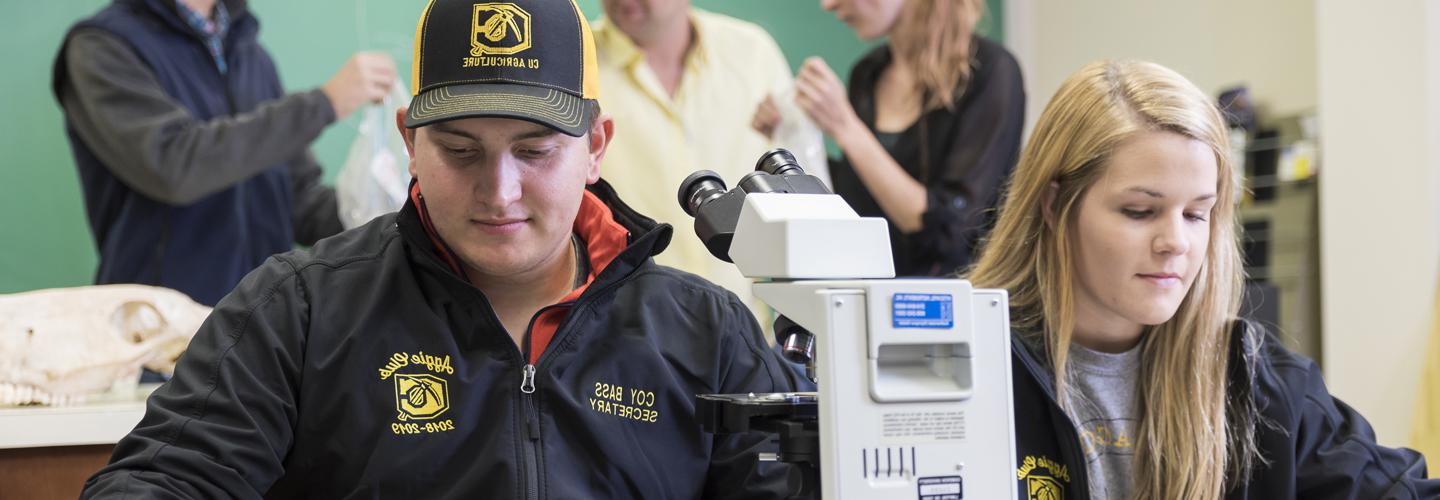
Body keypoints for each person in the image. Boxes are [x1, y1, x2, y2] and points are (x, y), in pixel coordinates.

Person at [79, 0, 800, 497]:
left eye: (536, 151)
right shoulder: (296, 312)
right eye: (461, 151)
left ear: (595, 149)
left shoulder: (708, 334)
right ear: (410, 143)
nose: (501, 191)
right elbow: (160, 480)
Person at [967, 59, 1440, 499]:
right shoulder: (963, 363)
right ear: (1053, 206)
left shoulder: (1256, 382)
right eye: (1139, 211)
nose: (1175, 241)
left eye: (1197, 214)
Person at [52, 0, 397, 306]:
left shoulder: (251, 55)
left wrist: (384, 211)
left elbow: (296, 201)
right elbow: (173, 166)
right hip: (158, 336)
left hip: (261, 328)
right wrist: (324, 104)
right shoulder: (102, 46)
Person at [754, 0, 1024, 277]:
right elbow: (856, 202)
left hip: (952, 307)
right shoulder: (868, 74)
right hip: (866, 298)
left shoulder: (992, 72)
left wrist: (845, 126)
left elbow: (951, 232)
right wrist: (788, 135)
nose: (829, 5)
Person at [594, 0, 819, 323]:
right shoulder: (576, 60)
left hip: (745, 332)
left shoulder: (752, 54)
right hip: (622, 331)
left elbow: (800, 196)